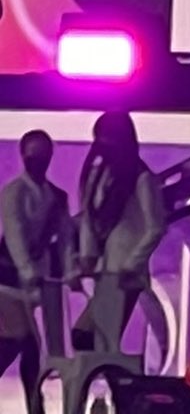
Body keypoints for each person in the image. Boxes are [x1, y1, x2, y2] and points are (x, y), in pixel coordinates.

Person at [71, 111, 164, 354]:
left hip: (125, 273)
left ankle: (113, 377)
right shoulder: (98, 175)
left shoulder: (142, 178)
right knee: (89, 338)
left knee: (96, 339)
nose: (103, 146)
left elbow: (155, 227)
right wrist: (87, 255)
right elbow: (89, 216)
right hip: (105, 269)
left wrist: (131, 265)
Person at [0, 131, 67, 413]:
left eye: (41, 155)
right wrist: (27, 270)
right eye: (32, 155)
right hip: (6, 279)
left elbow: (64, 239)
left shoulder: (57, 197)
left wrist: (70, 270)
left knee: (19, 343)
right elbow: (14, 233)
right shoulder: (14, 192)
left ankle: (35, 405)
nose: (37, 160)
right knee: (26, 343)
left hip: (32, 282)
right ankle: (35, 405)